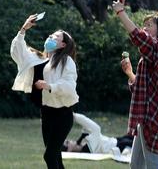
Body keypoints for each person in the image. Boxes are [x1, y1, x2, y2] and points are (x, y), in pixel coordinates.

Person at [112, 0, 158, 169]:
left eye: (149, 25)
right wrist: (130, 73)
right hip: (146, 115)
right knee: (136, 165)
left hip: (153, 115)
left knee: (153, 163)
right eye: (144, 25)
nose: (145, 28)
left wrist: (120, 12)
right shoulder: (151, 54)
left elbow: (138, 37)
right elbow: (142, 89)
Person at [11, 14, 79, 169]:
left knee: (49, 155)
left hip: (63, 115)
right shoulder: (37, 58)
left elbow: (70, 86)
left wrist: (50, 86)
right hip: (46, 114)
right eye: (51, 35)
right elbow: (17, 52)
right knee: (55, 158)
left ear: (62, 45)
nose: (50, 38)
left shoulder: (66, 61)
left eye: (55, 37)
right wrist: (23, 29)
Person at [62, 113, 134, 155]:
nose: (71, 140)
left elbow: (89, 131)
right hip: (119, 145)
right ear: (69, 150)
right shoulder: (87, 149)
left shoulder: (84, 145)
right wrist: (74, 116)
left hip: (116, 140)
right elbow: (95, 128)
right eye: (68, 142)